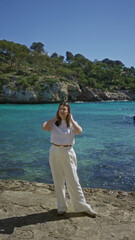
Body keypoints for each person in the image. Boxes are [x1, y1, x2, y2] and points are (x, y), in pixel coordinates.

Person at [42, 102, 97, 217]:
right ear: (58, 111)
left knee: (73, 180)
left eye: (64, 109)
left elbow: (79, 131)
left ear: (68, 112)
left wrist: (71, 120)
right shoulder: (53, 123)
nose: (62, 111)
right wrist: (54, 118)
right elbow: (44, 127)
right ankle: (61, 207)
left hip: (68, 151)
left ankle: (83, 206)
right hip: (55, 151)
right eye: (60, 109)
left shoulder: (71, 124)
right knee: (58, 180)